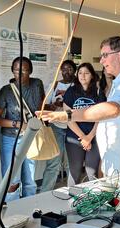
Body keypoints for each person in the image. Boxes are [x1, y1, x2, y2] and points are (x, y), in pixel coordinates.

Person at [37, 36, 120, 176]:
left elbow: (112, 109)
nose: (102, 61)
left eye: (105, 55)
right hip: (117, 157)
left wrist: (67, 115)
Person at [0, 57, 45, 200]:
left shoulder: (37, 84)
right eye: (16, 70)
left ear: (30, 71)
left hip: (31, 137)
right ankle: (11, 213)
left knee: (29, 179)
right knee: (11, 180)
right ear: (12, 71)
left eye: (24, 70)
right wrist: (17, 124)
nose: (20, 73)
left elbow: (41, 105)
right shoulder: (6, 91)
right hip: (11, 138)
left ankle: (29, 207)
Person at [63, 63, 105, 185]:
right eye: (80, 73)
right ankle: (71, 199)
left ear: (92, 75)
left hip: (94, 137)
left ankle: (94, 200)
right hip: (74, 137)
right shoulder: (71, 91)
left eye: (86, 73)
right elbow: (68, 117)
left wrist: (90, 136)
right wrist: (83, 137)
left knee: (91, 172)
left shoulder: (97, 92)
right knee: (74, 172)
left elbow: (101, 116)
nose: (83, 76)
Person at [40, 60, 76, 192]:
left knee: (71, 164)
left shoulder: (78, 86)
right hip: (56, 127)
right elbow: (46, 105)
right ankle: (44, 193)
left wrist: (67, 105)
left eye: (70, 69)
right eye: (64, 69)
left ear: (74, 70)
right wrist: (55, 105)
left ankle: (73, 193)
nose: (67, 72)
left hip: (73, 128)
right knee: (53, 164)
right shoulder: (55, 85)